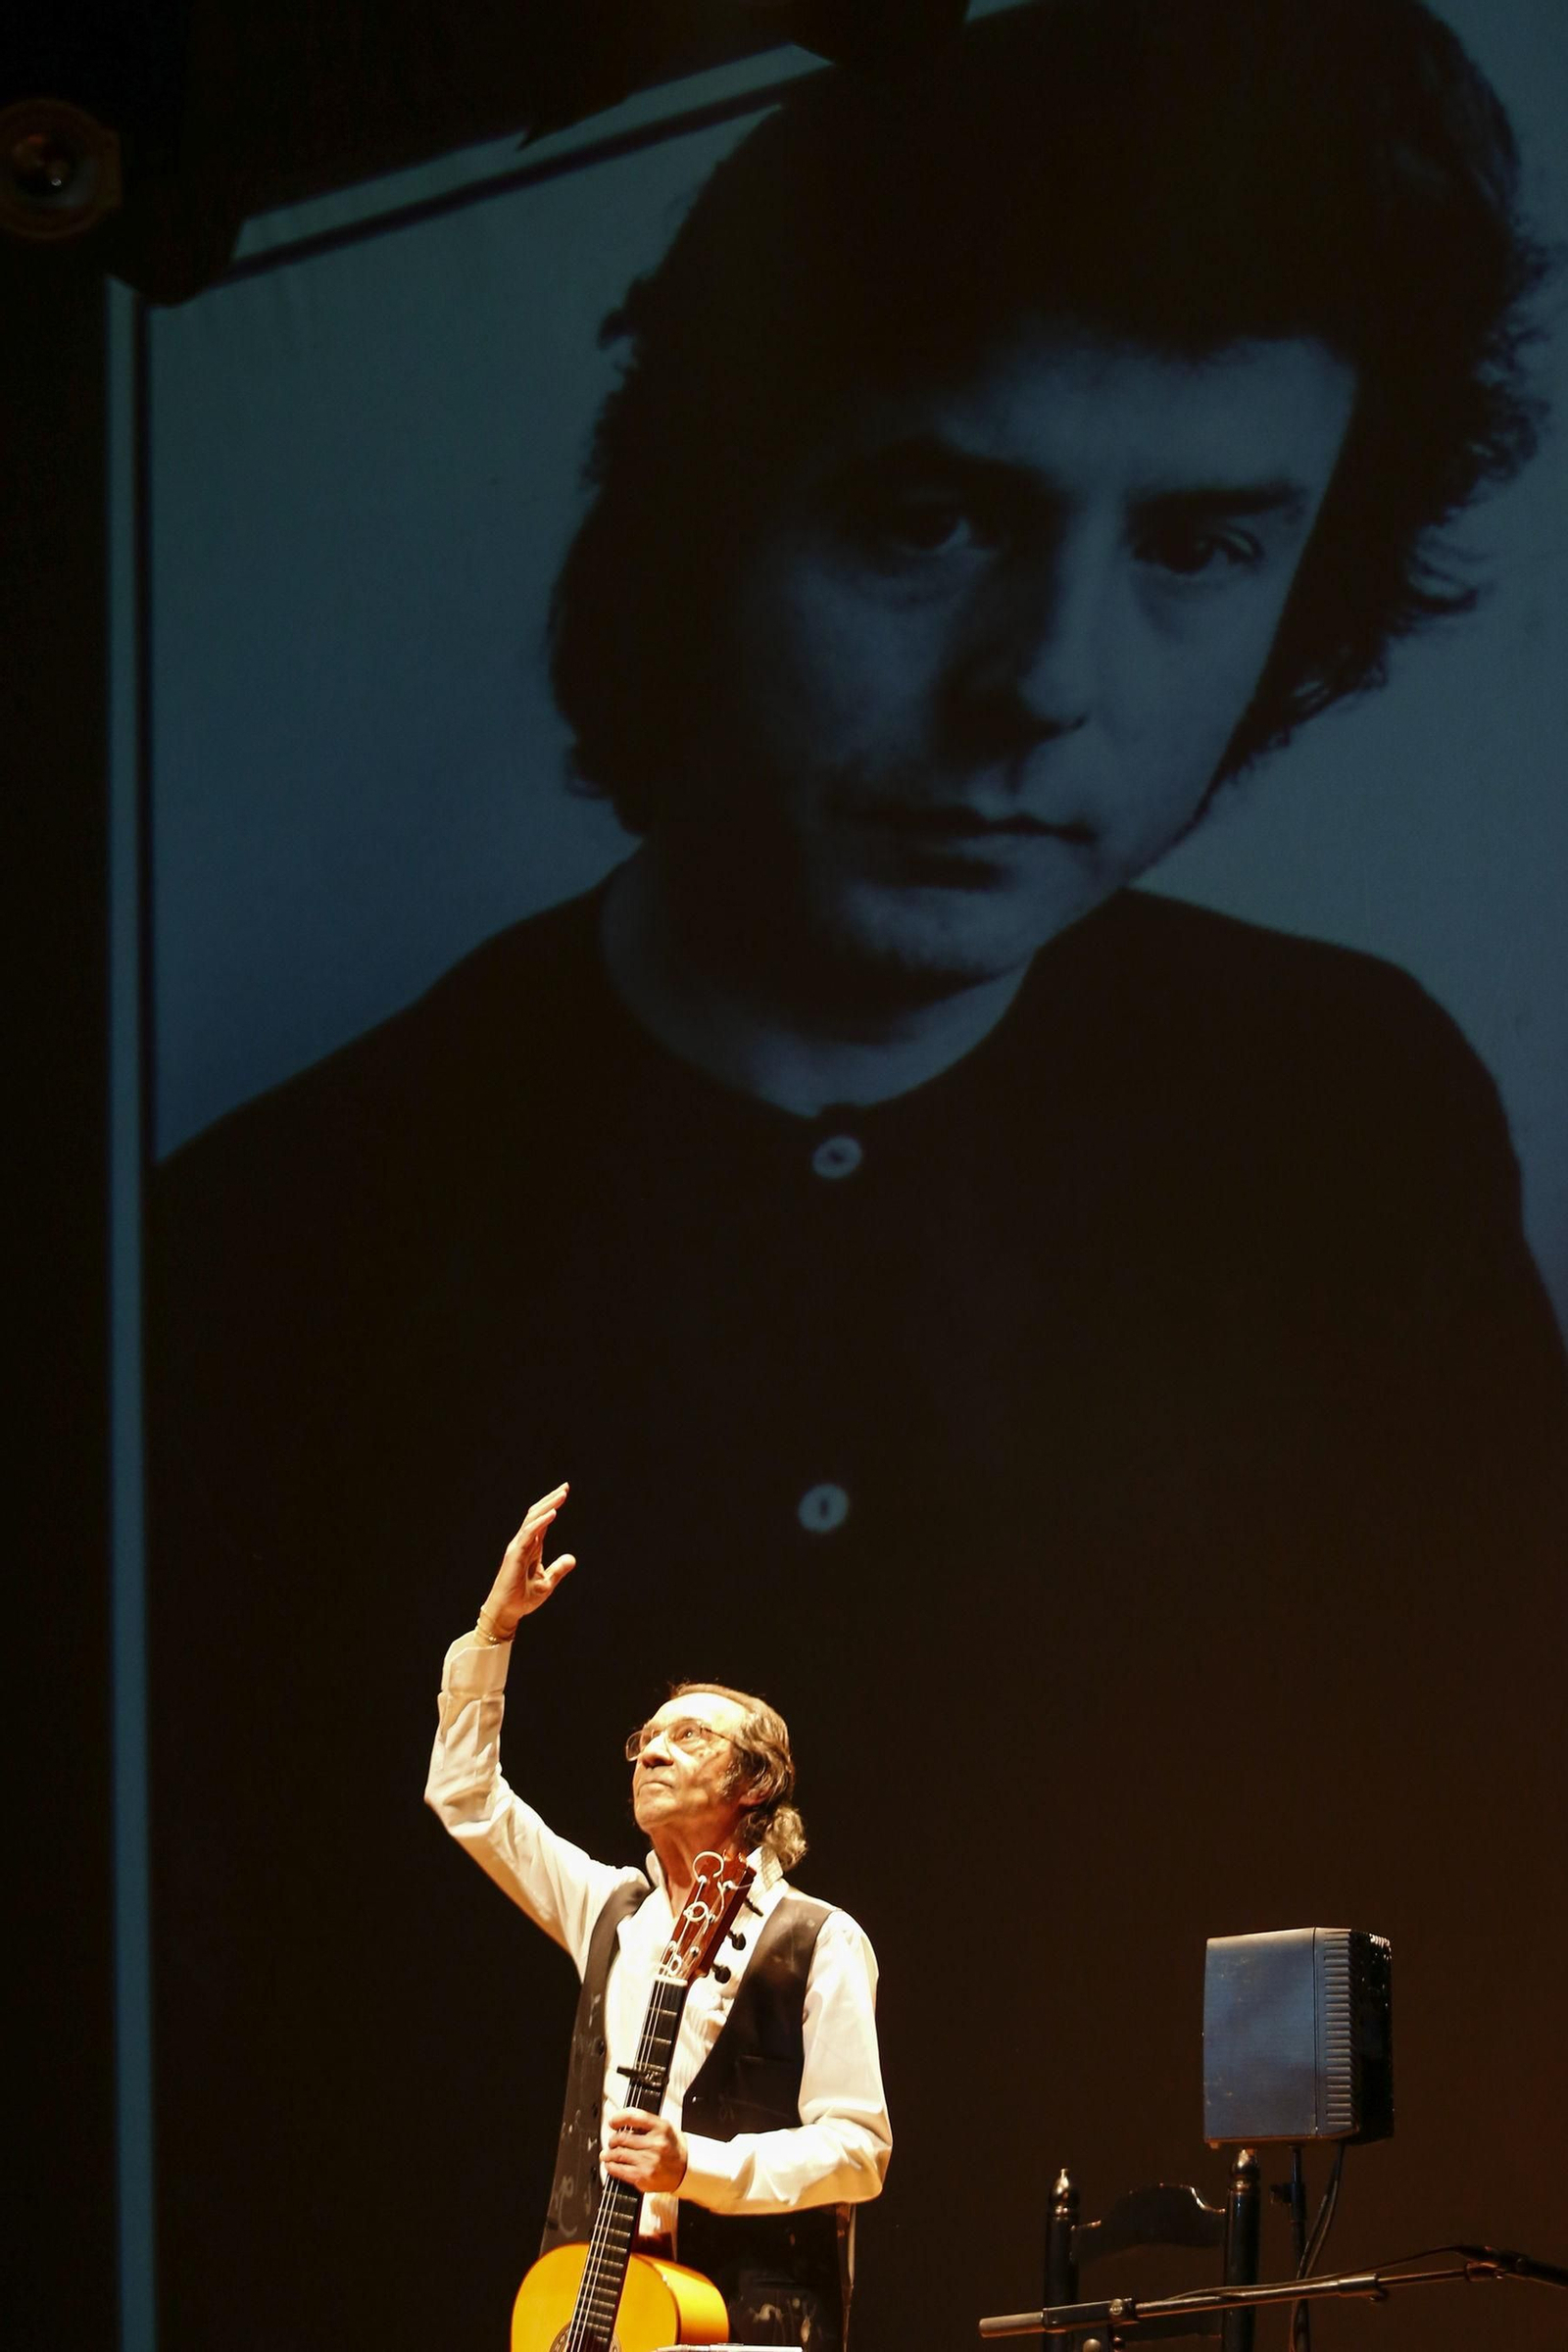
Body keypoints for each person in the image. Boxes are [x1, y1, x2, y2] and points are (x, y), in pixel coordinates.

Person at [147, 5, 1568, 2346]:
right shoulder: (277, 1242)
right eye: (928, 515)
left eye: (1205, 541)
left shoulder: (1348, 1107)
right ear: (706, 513)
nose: (1047, 689)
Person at [424, 1485, 890, 2348]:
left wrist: (697, 2169)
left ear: (755, 1785)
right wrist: (493, 1634)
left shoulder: (820, 1941)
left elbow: (859, 2149)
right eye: (648, 1739)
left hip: (745, 2314)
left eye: (692, 1739)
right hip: (590, 2306)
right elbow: (467, 1799)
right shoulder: (613, 1911)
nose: (657, 1752)